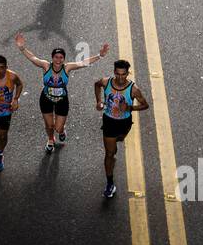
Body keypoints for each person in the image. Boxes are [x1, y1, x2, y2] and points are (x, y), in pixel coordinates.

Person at [15, 34, 110, 153]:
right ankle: (50, 139)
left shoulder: (67, 68)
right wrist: (22, 48)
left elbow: (83, 63)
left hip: (62, 100)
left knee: (58, 128)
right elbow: (33, 58)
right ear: (52, 58)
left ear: (64, 59)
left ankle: (62, 130)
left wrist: (99, 56)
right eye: (56, 57)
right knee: (49, 126)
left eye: (61, 57)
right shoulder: (45, 65)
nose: (58, 60)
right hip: (46, 99)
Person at [95, 60, 150, 199]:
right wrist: (99, 101)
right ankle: (110, 184)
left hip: (124, 123)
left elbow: (145, 105)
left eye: (123, 74)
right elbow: (97, 84)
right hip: (109, 121)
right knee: (109, 153)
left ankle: (114, 147)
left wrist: (130, 108)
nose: (120, 78)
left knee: (120, 139)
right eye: (118, 74)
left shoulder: (133, 89)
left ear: (127, 73)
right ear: (114, 72)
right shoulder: (106, 82)